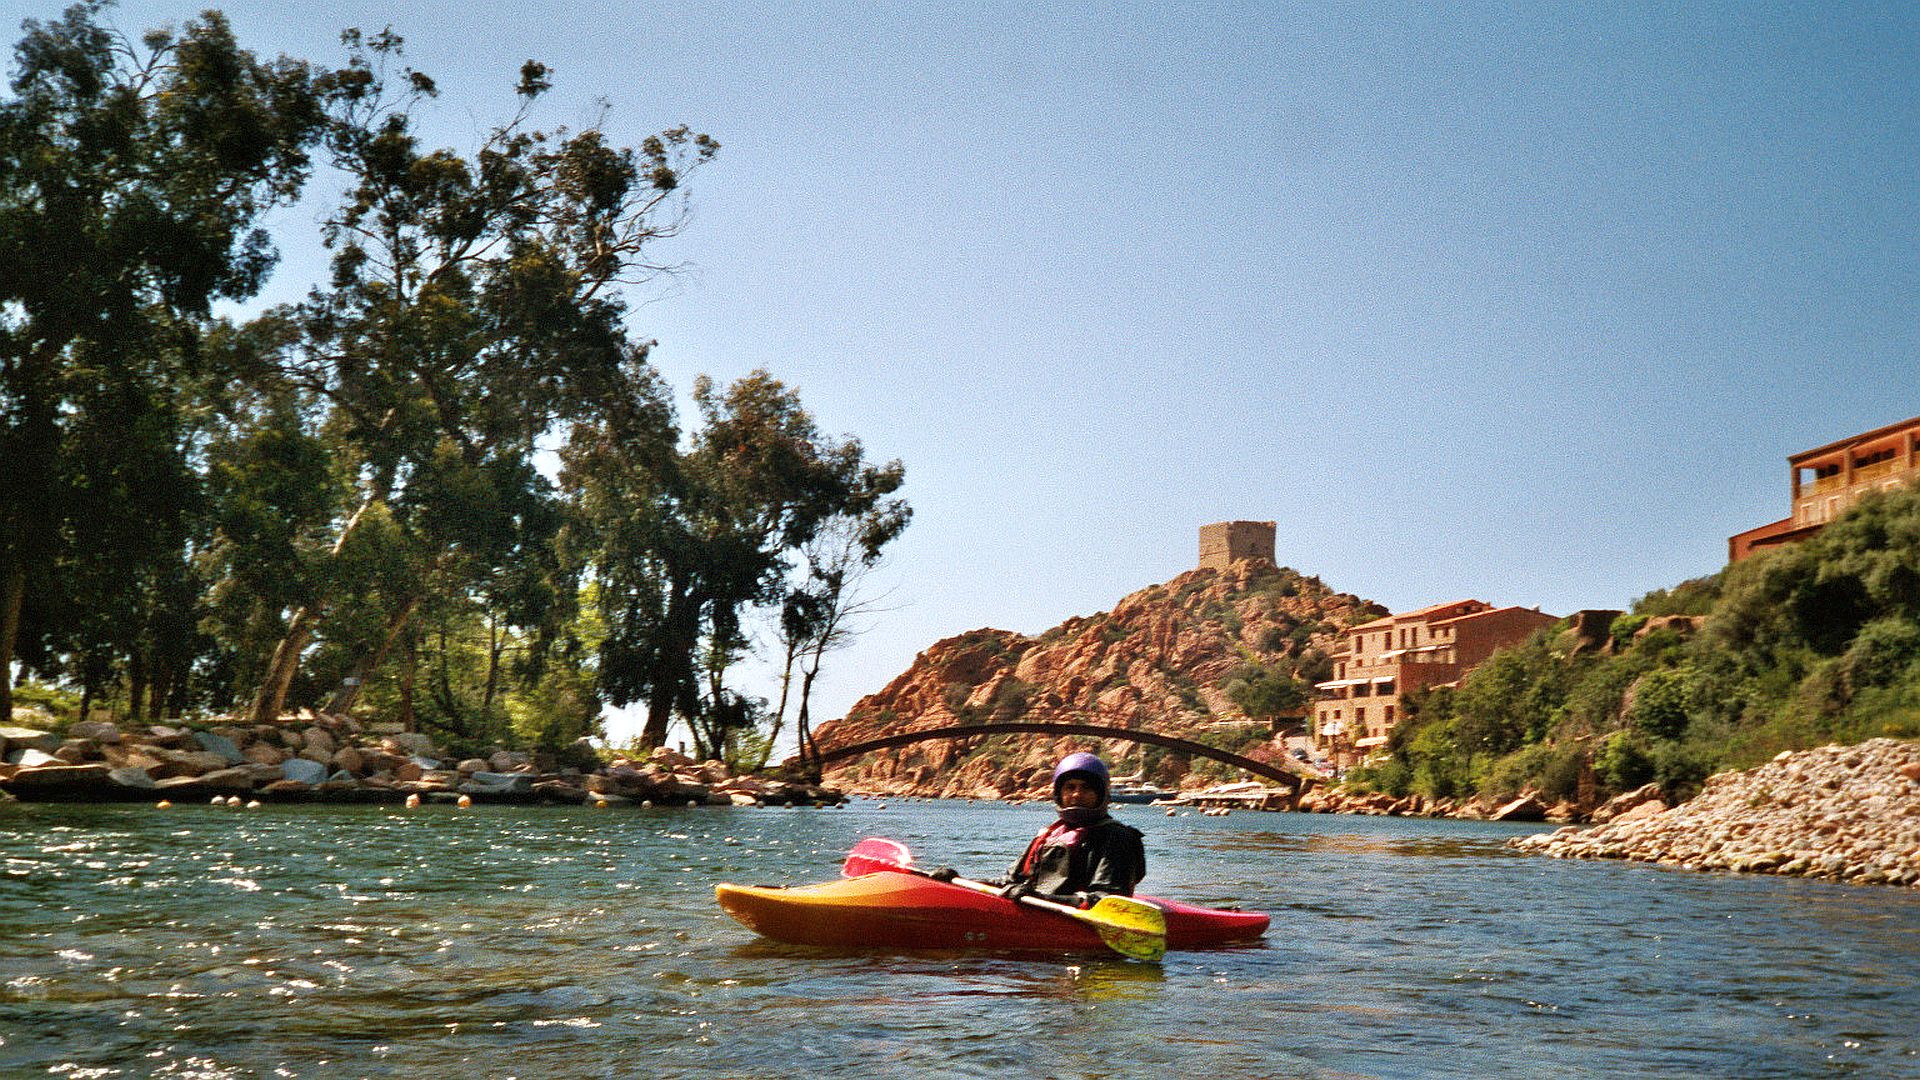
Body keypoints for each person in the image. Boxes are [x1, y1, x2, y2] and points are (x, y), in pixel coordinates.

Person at [931, 751, 1146, 908]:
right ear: (1059, 794)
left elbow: (1107, 899)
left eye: (1086, 788)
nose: (1076, 794)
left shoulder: (1118, 837)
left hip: (1070, 919)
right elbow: (1009, 883)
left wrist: (1042, 899)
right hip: (1038, 907)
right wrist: (958, 882)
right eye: (1070, 787)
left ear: (1102, 794)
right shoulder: (1049, 834)